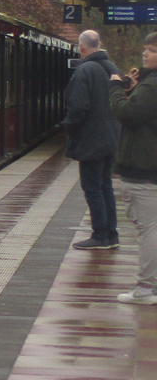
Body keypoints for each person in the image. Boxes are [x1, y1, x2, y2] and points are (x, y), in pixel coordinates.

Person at [110, 33, 157, 303]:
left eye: (152, 50)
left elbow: (128, 115)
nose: (145, 54)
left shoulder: (152, 86)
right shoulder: (149, 85)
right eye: (146, 49)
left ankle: (146, 289)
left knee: (148, 229)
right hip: (148, 167)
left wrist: (117, 89)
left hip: (143, 169)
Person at [62, 29, 120, 249]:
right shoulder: (111, 68)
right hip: (111, 138)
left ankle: (99, 235)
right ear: (99, 44)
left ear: (82, 47)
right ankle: (111, 235)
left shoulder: (84, 70)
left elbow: (78, 106)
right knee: (106, 186)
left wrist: (67, 126)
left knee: (92, 187)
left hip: (92, 141)